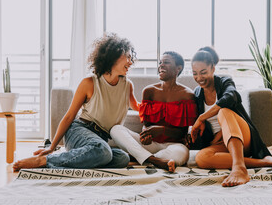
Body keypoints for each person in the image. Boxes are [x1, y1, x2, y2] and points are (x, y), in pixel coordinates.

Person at [13, 34, 139, 171]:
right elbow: (69, 116)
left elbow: (139, 108)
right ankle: (43, 161)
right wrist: (51, 147)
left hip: (100, 139)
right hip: (79, 131)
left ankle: (77, 157)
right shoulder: (90, 83)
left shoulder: (127, 86)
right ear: (113, 56)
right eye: (127, 56)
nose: (130, 62)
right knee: (103, 151)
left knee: (122, 158)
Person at [190, 46, 272, 187]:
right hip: (220, 144)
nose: (199, 78)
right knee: (201, 158)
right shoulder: (197, 93)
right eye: (195, 73)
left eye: (203, 72)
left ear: (213, 69)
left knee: (224, 111)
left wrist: (202, 117)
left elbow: (231, 97)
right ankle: (264, 162)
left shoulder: (224, 82)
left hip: (241, 136)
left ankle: (239, 168)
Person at [110, 51, 197, 172]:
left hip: (173, 145)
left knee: (181, 155)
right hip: (150, 145)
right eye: (160, 62)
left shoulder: (187, 95)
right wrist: (146, 133)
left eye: (166, 62)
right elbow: (146, 124)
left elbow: (182, 133)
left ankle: (138, 157)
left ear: (178, 68)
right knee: (116, 130)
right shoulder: (149, 91)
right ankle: (155, 161)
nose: (161, 65)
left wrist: (160, 130)